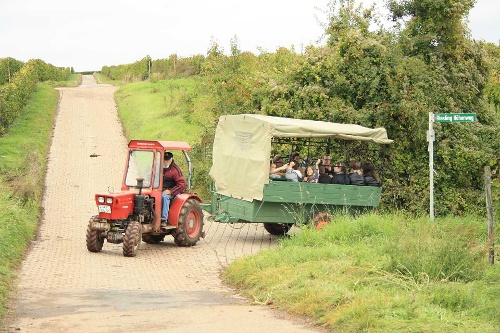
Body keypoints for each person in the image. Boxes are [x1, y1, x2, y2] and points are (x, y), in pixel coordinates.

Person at [161, 151, 186, 222]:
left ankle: (163, 219)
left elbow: (182, 184)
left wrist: (170, 191)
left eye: (167, 160)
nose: (165, 161)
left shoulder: (176, 170)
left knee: (164, 197)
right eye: (164, 159)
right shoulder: (158, 167)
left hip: (173, 191)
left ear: (171, 159)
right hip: (160, 189)